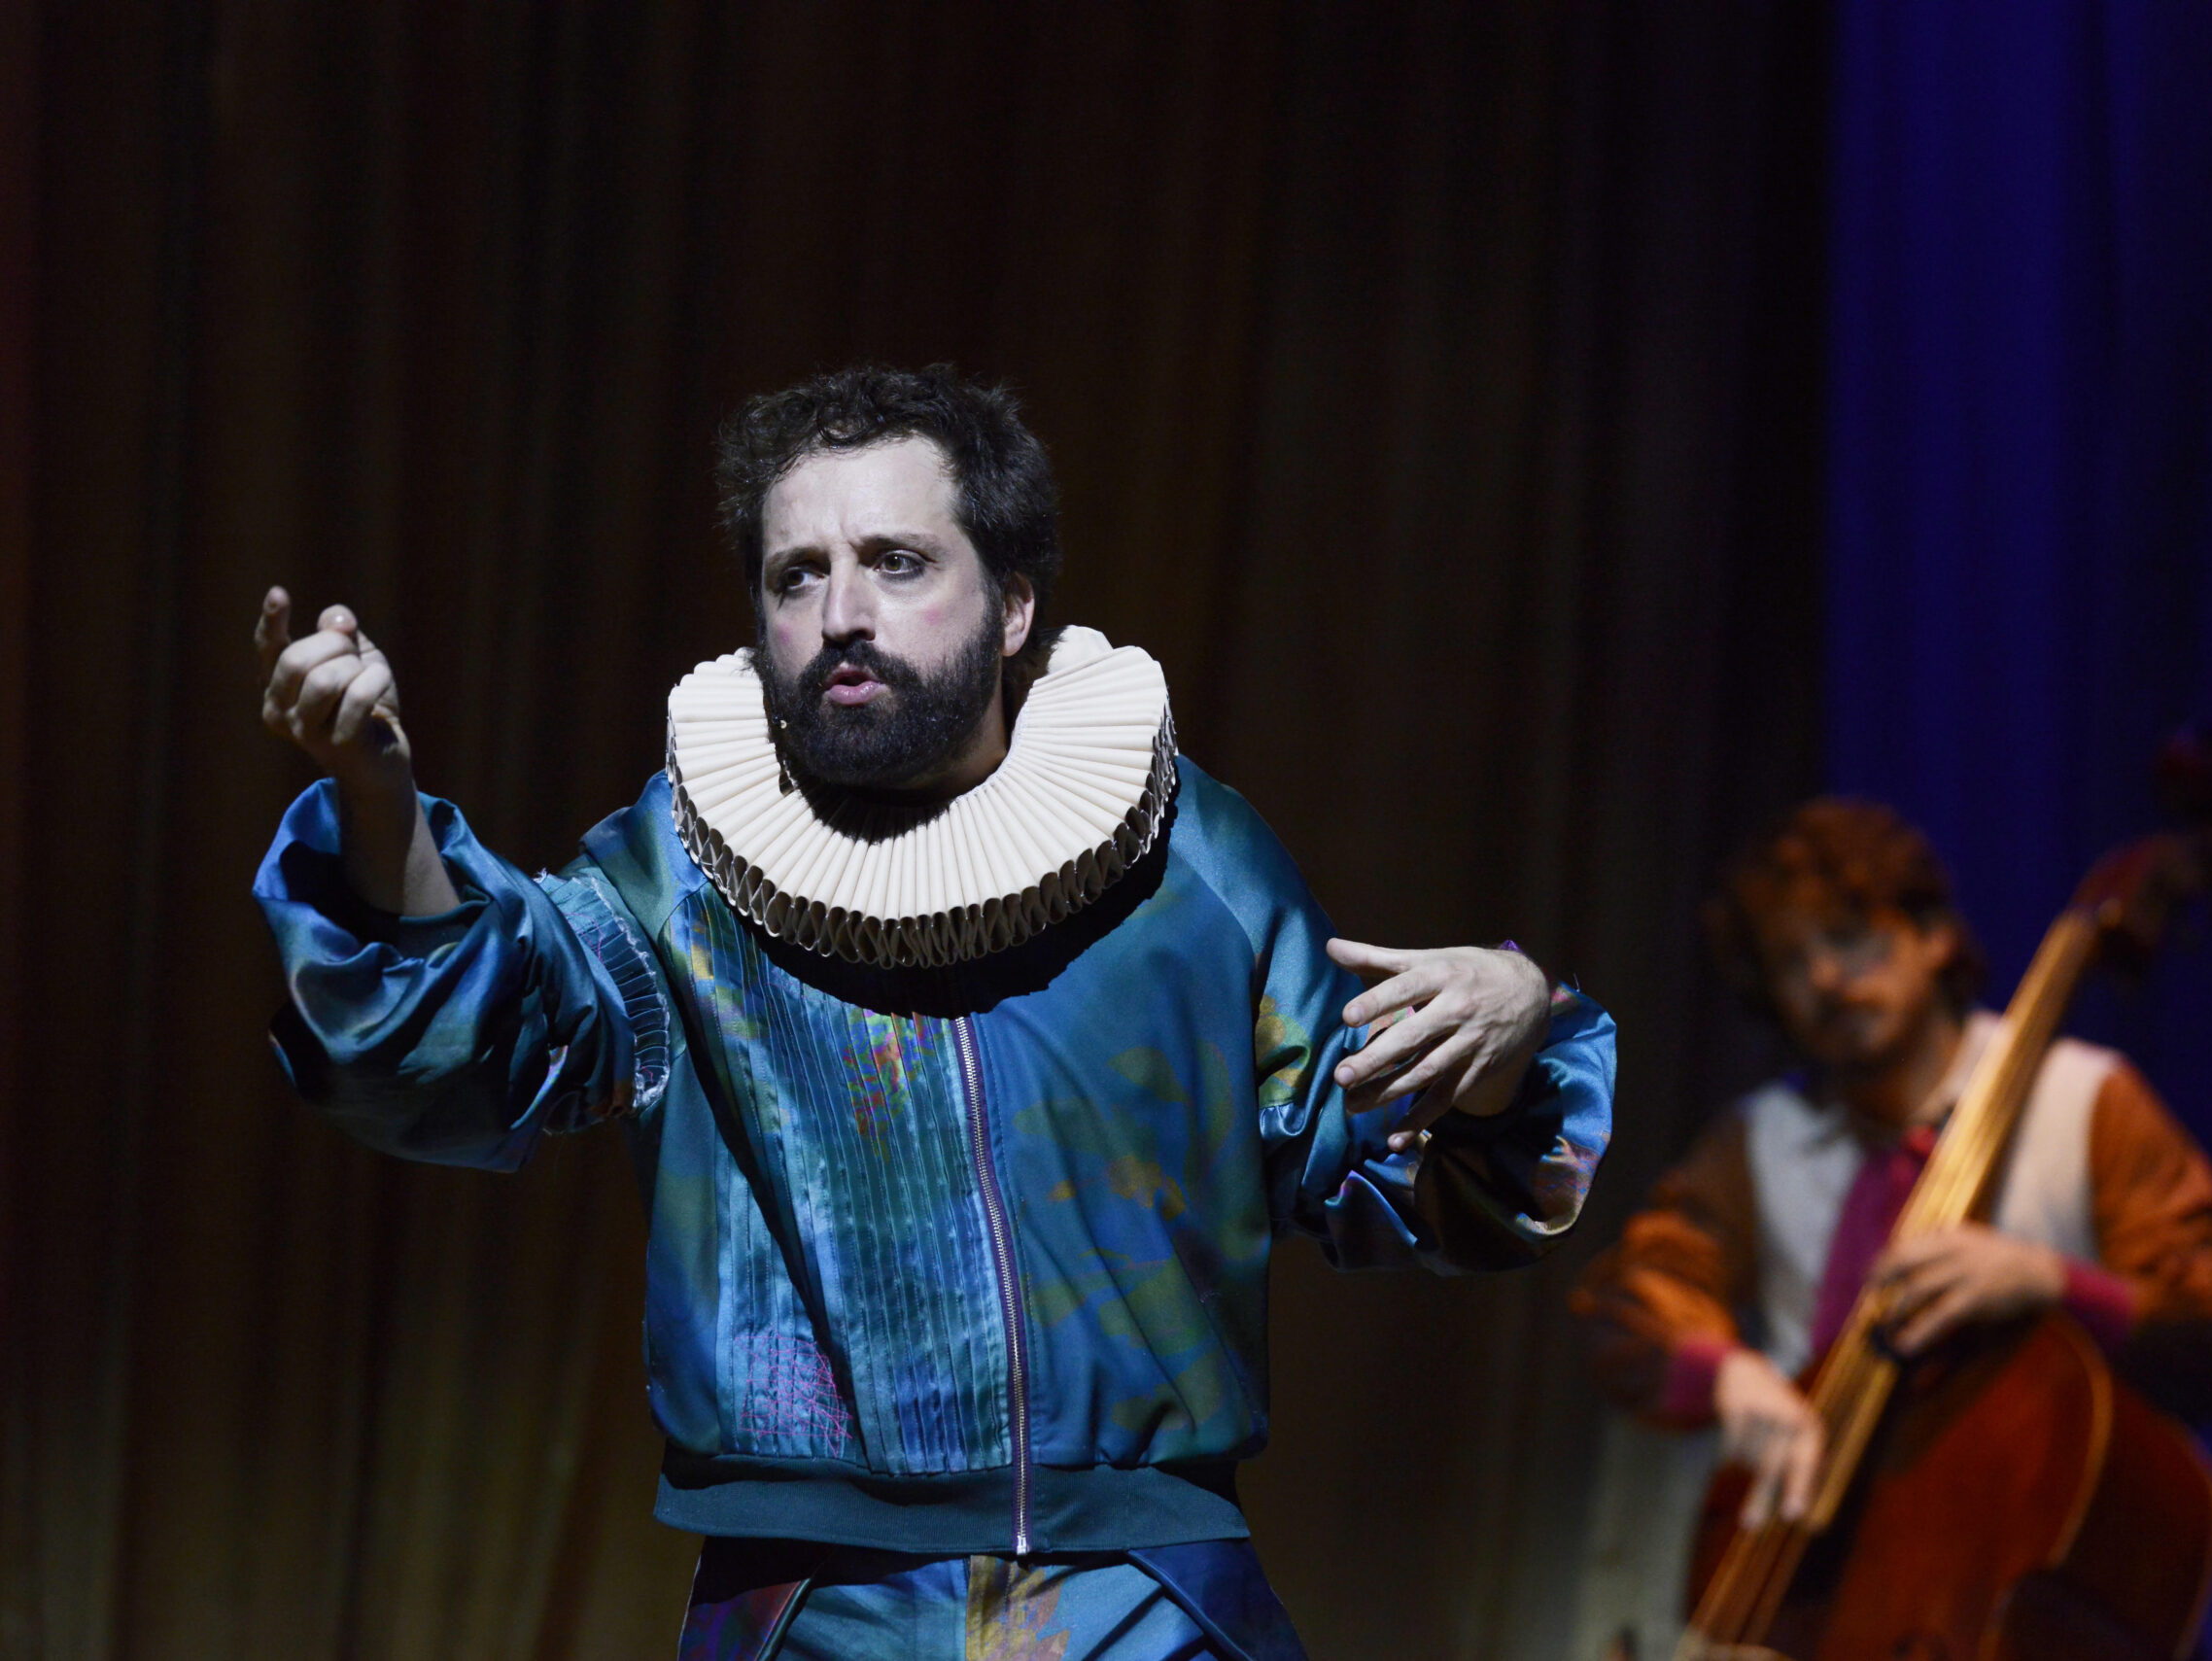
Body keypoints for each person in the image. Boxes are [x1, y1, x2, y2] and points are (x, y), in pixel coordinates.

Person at [252, 364, 1615, 1661]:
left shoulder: (1193, 864)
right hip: (809, 1607)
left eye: (897, 563)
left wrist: (1512, 1028)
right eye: (798, 573)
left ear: (1012, 606)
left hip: (1142, 1604)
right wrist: (379, 798)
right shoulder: (677, 877)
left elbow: (1388, 1170)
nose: (842, 610)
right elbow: (470, 1047)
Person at [1569, 797, 2212, 1550]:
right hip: (1815, 1560)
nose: (1824, 978)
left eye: (1849, 937)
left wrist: (2049, 1280)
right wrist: (1727, 1374)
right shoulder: (1757, 1140)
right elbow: (1633, 1302)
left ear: (1934, 936)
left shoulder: (2088, 1098)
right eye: (1790, 962)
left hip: (2026, 1550)